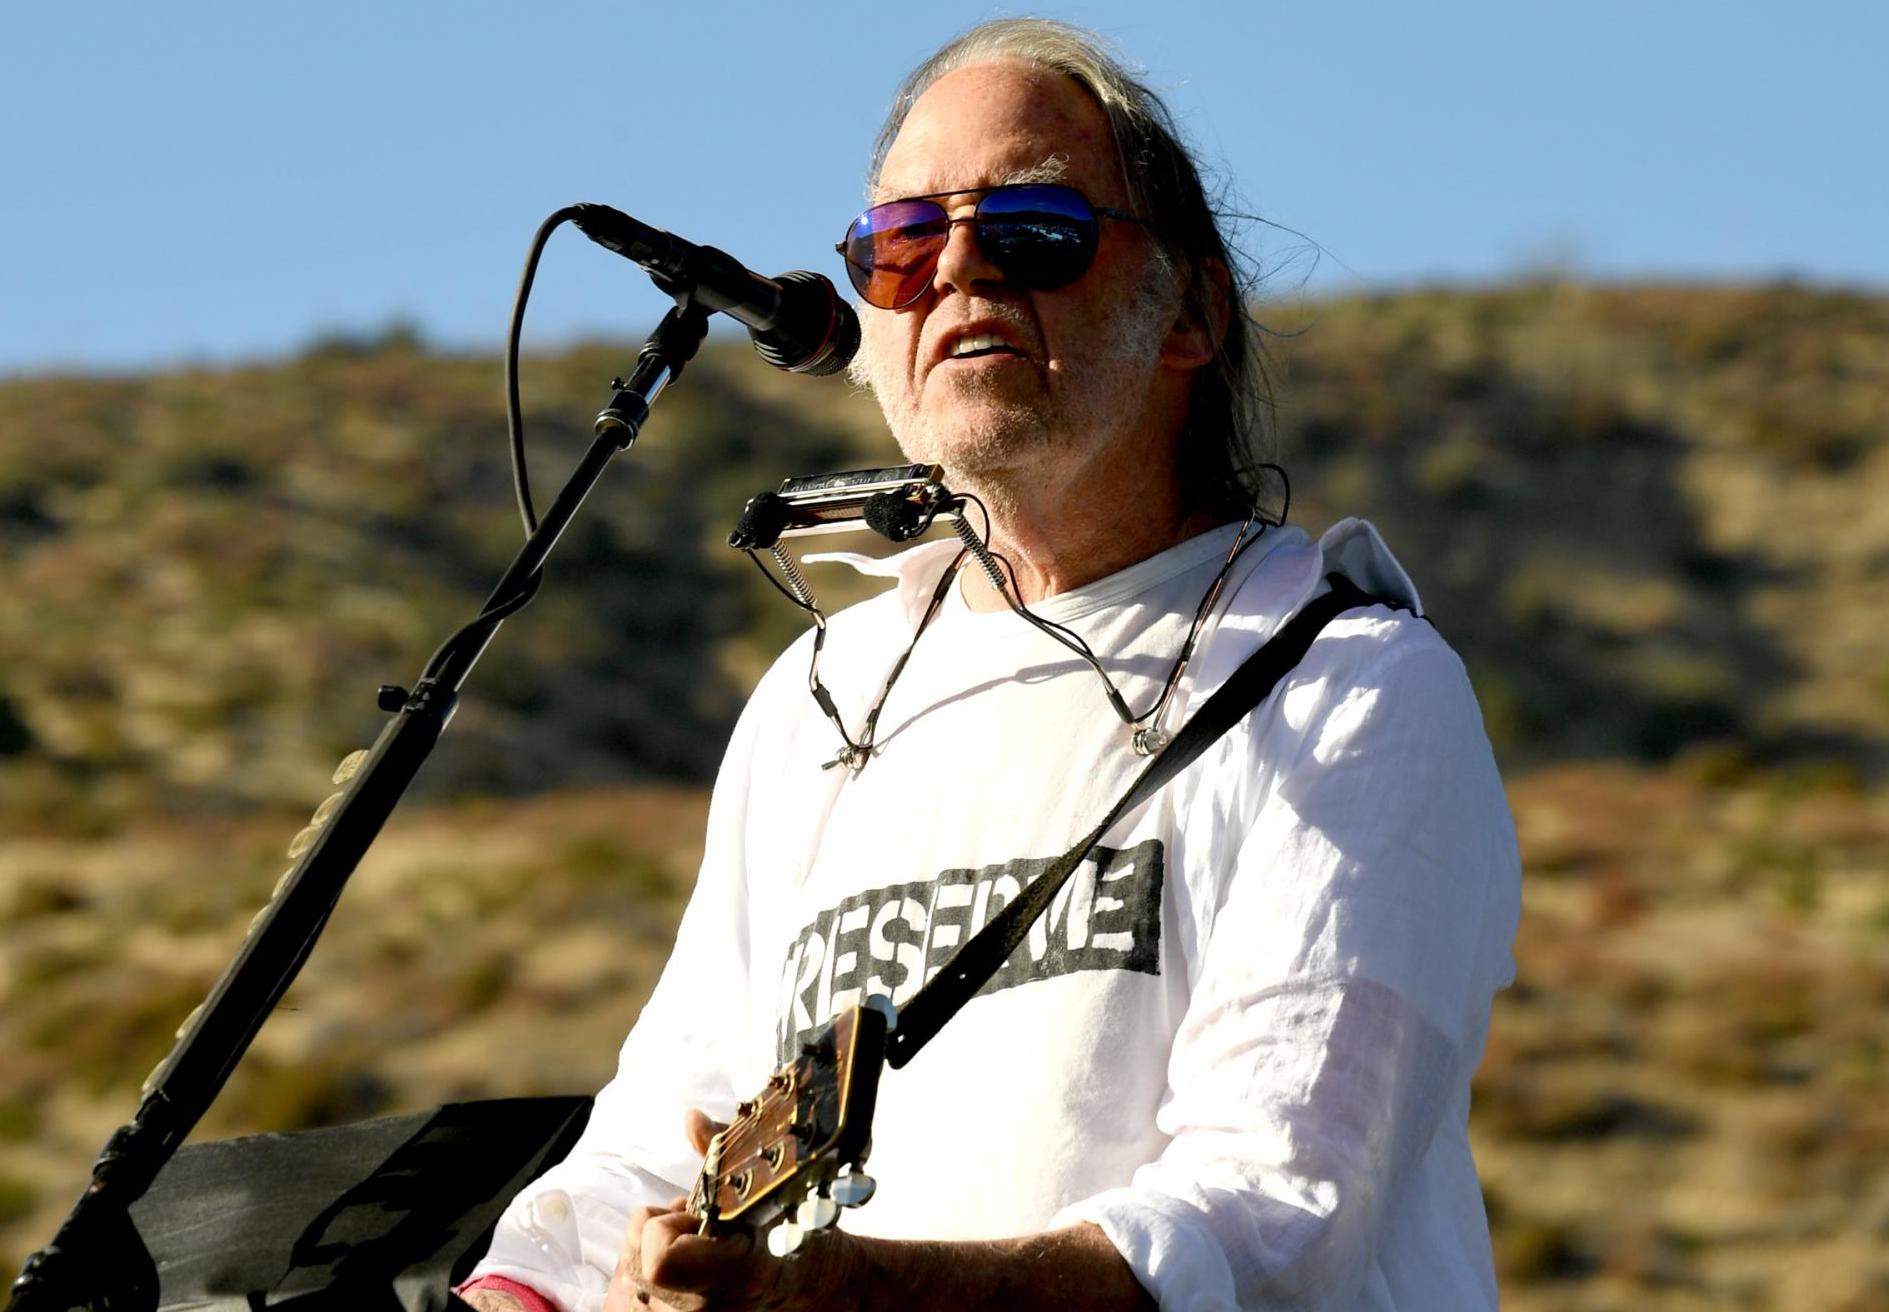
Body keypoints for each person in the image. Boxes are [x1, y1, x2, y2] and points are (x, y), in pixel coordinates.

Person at [461, 18, 1519, 1312]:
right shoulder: (820, 700)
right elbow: (647, 1150)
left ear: (1189, 309)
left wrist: (842, 1297)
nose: (959, 270)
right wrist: (528, 1290)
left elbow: (1273, 1219)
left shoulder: (1344, 684)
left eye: (1030, 230)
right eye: (901, 247)